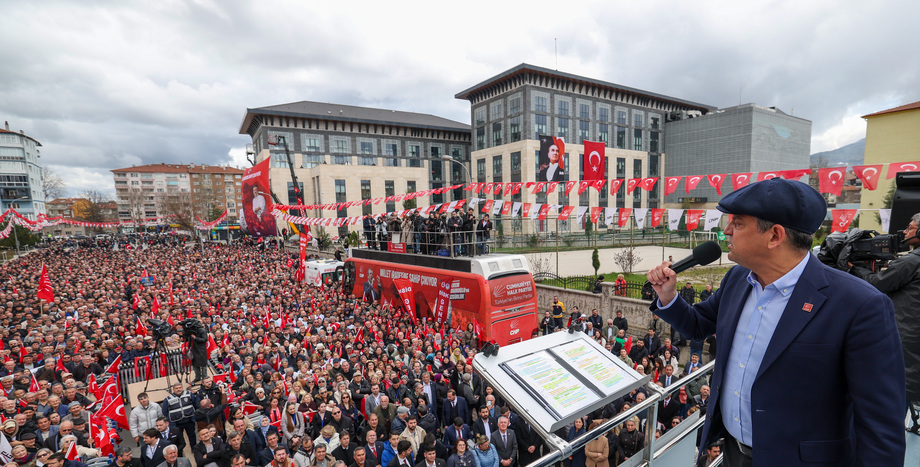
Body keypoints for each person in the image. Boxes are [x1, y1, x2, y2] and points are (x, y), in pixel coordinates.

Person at [645, 178, 906, 466]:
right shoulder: (737, 280)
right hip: (733, 452)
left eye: (738, 223)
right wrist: (668, 296)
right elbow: (698, 324)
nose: (726, 230)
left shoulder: (860, 306)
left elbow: (880, 428)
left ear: (774, 236)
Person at [850, 212, 920, 429]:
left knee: (897, 391)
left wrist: (855, 268)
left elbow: (877, 283)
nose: (905, 232)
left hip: (906, 335)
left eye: (910, 228)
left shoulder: (911, 261)